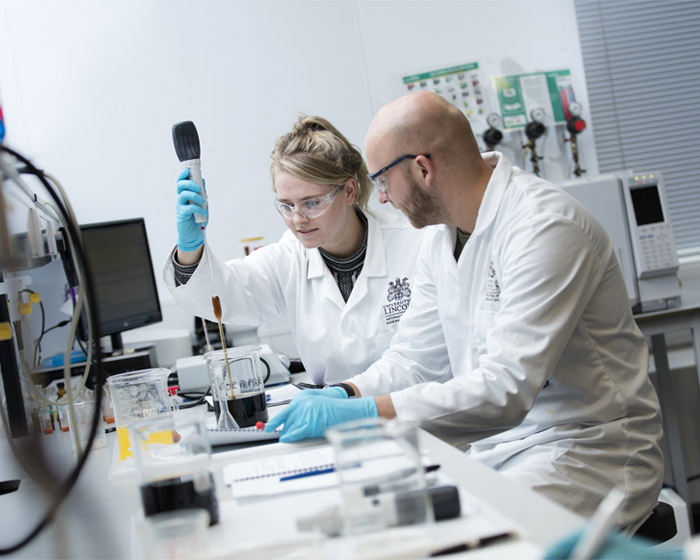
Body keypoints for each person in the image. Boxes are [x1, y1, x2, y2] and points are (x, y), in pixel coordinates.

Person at [266, 91, 665, 531]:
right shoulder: (441, 238)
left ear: (422, 168)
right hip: (497, 450)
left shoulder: (544, 227)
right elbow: (414, 360)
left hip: (586, 452)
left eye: (381, 180)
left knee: (468, 540)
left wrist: (367, 413)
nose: (380, 199)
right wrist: (346, 394)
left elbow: (506, 388)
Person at [163, 115, 429, 386]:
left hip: (414, 419)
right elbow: (224, 297)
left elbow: (426, 361)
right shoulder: (288, 259)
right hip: (334, 422)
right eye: (286, 205)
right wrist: (190, 248)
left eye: (312, 203)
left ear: (349, 191)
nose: (298, 219)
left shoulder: (415, 244)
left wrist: (348, 396)